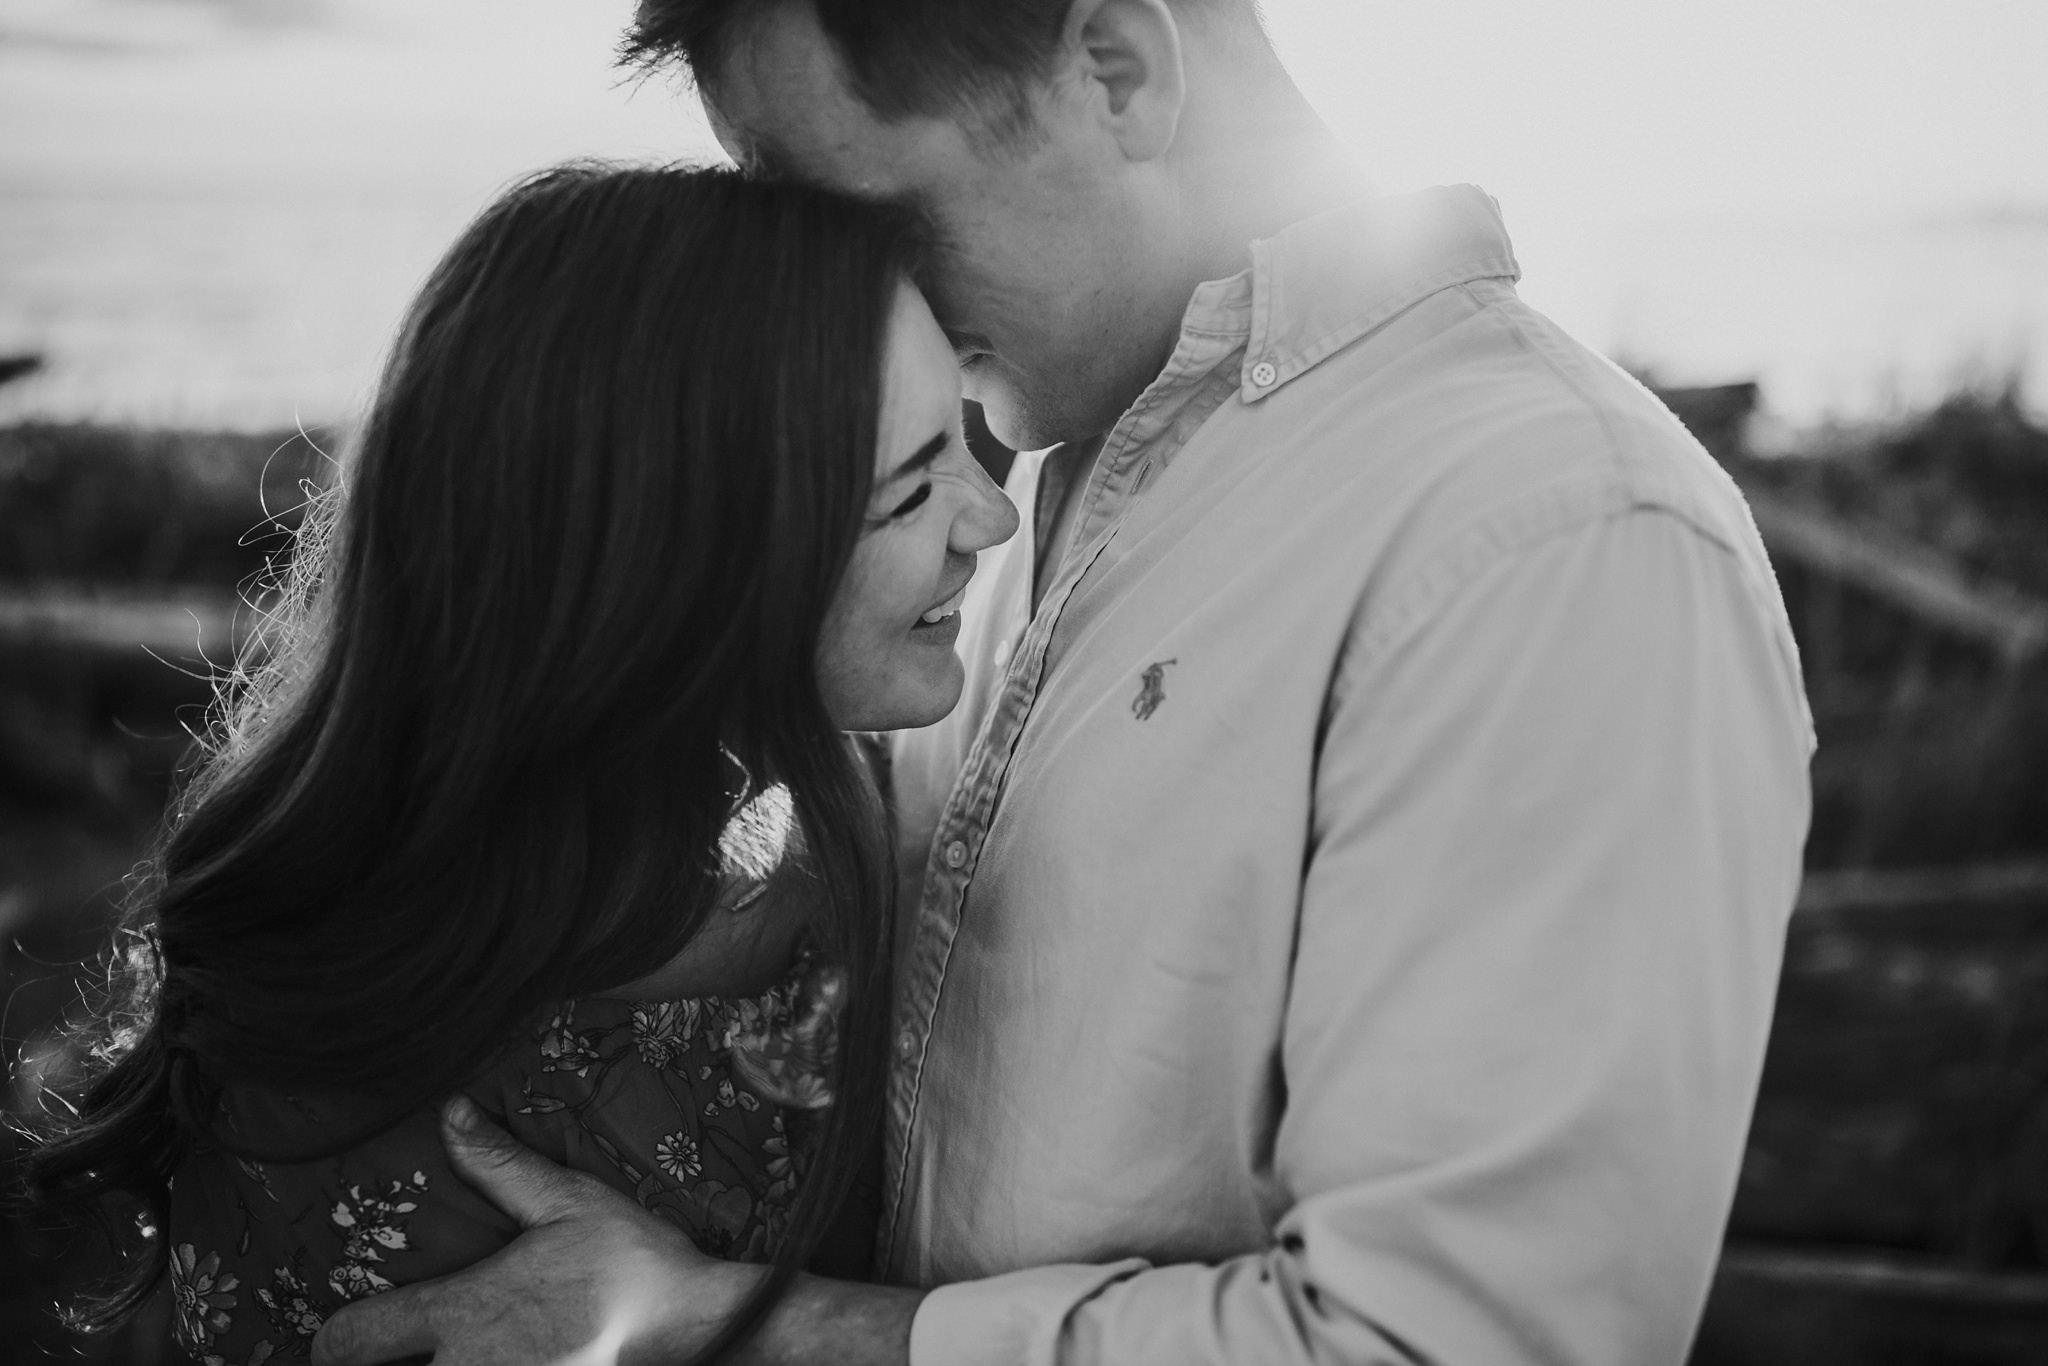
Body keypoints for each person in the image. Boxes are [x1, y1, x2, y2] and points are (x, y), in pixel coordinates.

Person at [315, 2, 1817, 1364]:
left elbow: (1450, 1344)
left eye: (867, 223)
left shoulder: (1548, 535)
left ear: (1118, 69)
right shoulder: (1035, 474)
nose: (836, 302)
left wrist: (715, 1329)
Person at [24, 164, 1017, 1365]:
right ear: (680, 559)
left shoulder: (838, 804)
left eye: (963, 435)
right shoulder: (381, 1093)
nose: (992, 518)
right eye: (912, 487)